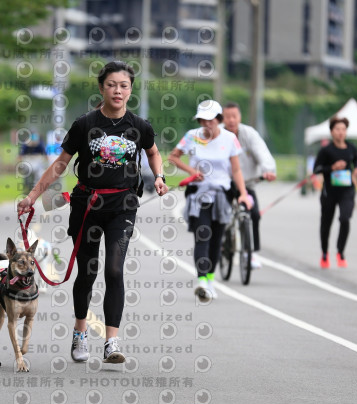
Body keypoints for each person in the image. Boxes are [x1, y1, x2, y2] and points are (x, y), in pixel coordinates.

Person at [17, 61, 168, 364]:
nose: (118, 90)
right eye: (111, 84)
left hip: (122, 206)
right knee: (87, 272)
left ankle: (112, 342)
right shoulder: (85, 124)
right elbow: (61, 163)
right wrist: (33, 196)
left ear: (130, 90)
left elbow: (152, 151)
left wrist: (160, 176)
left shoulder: (139, 126)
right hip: (87, 206)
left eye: (124, 85)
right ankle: (80, 332)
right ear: (102, 88)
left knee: (114, 269)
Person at [168, 100, 251, 301]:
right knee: (202, 237)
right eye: (202, 120)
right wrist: (191, 171)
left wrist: (242, 193)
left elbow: (236, 169)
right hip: (199, 195)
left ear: (219, 120)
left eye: (210, 120)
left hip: (222, 194)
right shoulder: (191, 136)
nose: (206, 124)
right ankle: (202, 281)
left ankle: (211, 279)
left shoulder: (230, 139)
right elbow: (174, 157)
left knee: (217, 240)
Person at [222, 102, 277, 269]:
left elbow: (262, 152)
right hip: (224, 183)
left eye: (235, 116)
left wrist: (268, 170)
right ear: (222, 118)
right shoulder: (218, 134)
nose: (231, 120)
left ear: (240, 117)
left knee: (254, 214)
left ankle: (251, 253)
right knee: (219, 214)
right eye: (227, 116)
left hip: (247, 184)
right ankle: (222, 241)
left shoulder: (249, 134)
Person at [313, 116, 357, 268]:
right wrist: (332, 168)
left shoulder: (351, 148)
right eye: (337, 129)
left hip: (347, 191)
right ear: (332, 131)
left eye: (343, 129)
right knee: (326, 223)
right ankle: (324, 253)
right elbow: (317, 169)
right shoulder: (326, 150)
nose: (341, 132)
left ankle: (340, 253)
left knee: (345, 219)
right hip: (330, 191)